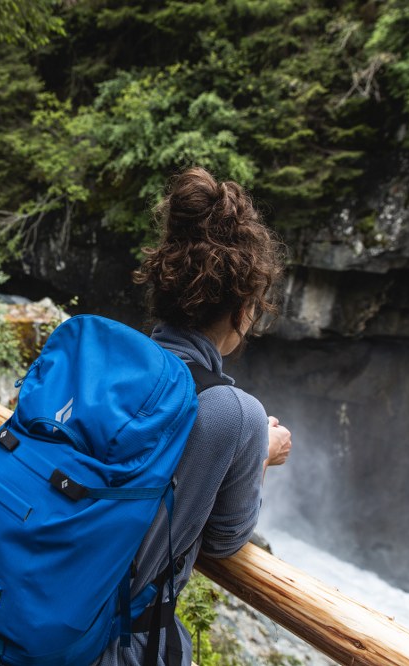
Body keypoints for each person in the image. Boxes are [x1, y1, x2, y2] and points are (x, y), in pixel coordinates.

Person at [95, 167, 292, 665]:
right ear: (242, 307)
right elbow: (226, 540)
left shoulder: (109, 366)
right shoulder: (237, 414)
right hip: (117, 646)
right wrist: (259, 457)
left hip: (38, 615)